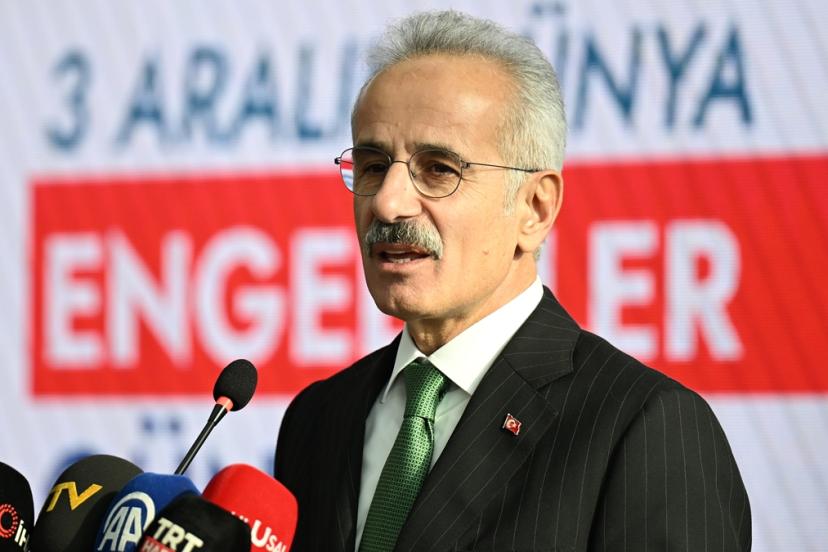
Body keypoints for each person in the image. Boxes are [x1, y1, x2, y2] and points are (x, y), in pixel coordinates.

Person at [274, 10, 750, 552]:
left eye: (439, 169)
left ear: (535, 208)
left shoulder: (641, 427)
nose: (387, 202)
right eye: (373, 166)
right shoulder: (318, 418)